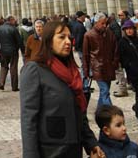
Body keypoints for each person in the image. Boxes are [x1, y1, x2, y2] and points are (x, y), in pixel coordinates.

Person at [20, 19, 102, 158]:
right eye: (61, 37)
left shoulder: (72, 70)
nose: (68, 42)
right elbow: (29, 118)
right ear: (49, 41)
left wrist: (91, 142)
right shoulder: (35, 70)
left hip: (74, 147)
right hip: (50, 149)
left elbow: (79, 112)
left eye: (69, 37)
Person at [117, 20, 138, 126]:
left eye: (131, 29)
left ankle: (137, 107)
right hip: (133, 72)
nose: (129, 31)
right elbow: (121, 57)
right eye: (127, 29)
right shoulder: (122, 42)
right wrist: (129, 65)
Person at [82, 12, 117, 108]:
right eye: (102, 23)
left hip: (109, 66)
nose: (104, 25)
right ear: (96, 22)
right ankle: (110, 114)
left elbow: (115, 49)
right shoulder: (88, 35)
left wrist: (114, 63)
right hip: (97, 68)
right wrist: (86, 72)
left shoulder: (109, 33)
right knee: (105, 90)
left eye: (105, 23)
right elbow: (85, 55)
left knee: (104, 92)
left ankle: (100, 111)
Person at [0, 15, 24, 92]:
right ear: (11, 20)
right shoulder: (14, 29)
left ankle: (2, 83)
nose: (15, 21)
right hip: (13, 51)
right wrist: (23, 51)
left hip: (3, 51)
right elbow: (19, 41)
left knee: (3, 67)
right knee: (13, 68)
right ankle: (14, 86)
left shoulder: (0, 28)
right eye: (14, 20)